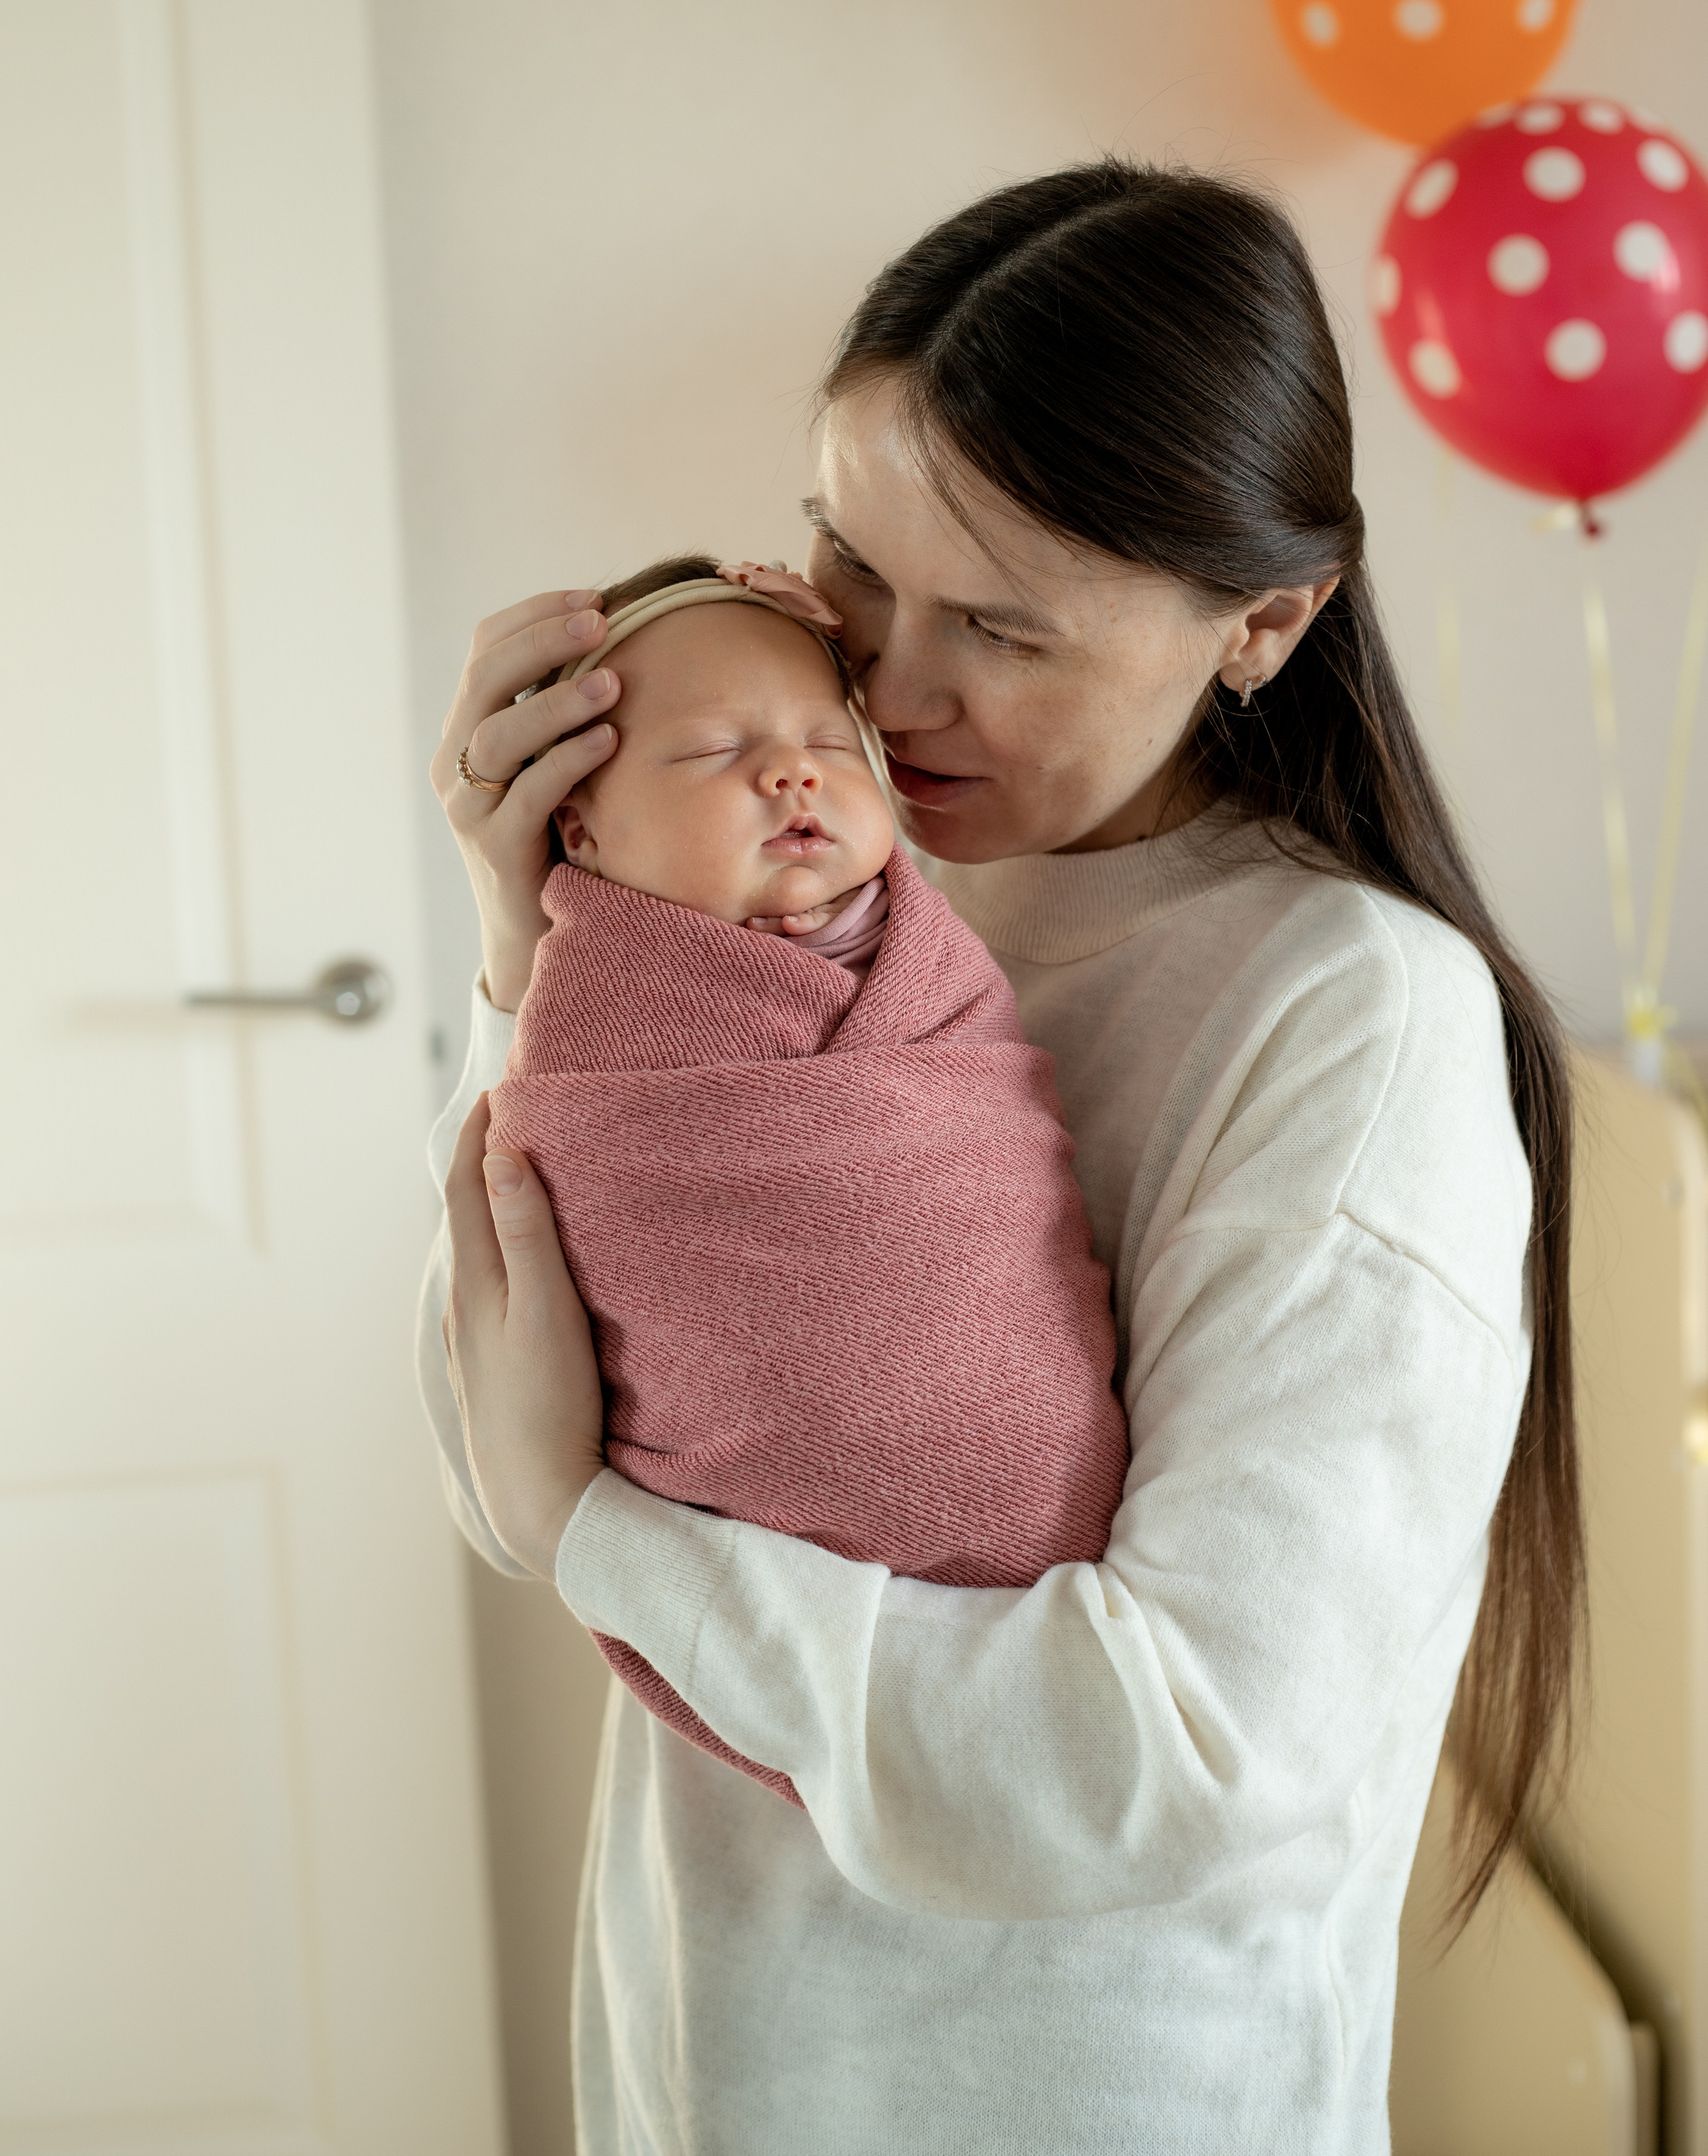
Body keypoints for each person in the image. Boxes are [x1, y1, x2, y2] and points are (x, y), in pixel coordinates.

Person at [422, 159, 1581, 2155]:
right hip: (708, 2048)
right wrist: (538, 948)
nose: (883, 684)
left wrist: (609, 1540)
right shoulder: (789, 910)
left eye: (1003, 629)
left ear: (1267, 621)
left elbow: (1165, 1761)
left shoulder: (1346, 1020)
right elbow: (495, 1449)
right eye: (848, 570)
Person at [484, 548, 1127, 1804]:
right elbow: (492, 1417)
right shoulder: (595, 1023)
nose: (790, 773)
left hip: (1047, 1577)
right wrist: (511, 945)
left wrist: (554, 1505)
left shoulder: (935, 954)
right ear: (582, 826)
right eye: (712, 752)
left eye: (832, 742)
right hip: (751, 1555)